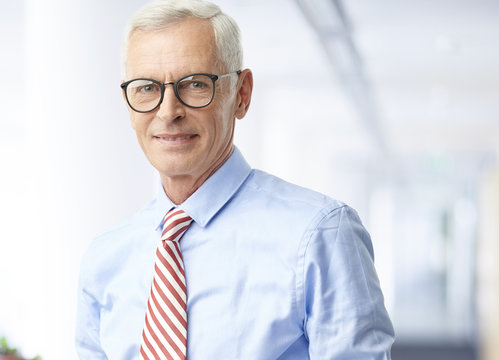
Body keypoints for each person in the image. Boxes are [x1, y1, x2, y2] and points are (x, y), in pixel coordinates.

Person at [75, 0, 395, 358]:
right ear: (128, 103)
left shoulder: (321, 236)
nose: (168, 112)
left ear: (241, 95)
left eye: (195, 84)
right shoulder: (105, 258)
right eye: (147, 88)